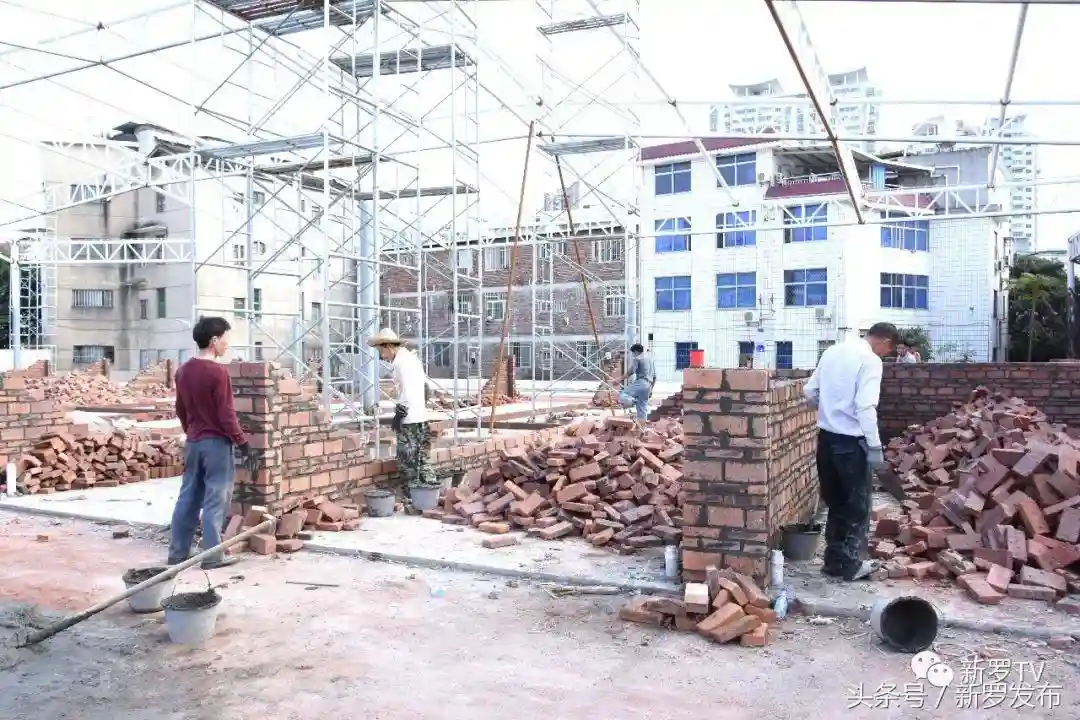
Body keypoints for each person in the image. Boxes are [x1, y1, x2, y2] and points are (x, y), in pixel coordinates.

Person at [804, 322, 900, 581]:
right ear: (885, 342)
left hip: (826, 440)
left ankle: (833, 562)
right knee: (857, 507)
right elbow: (865, 406)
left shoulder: (832, 351)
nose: (885, 355)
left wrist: (829, 411)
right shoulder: (870, 361)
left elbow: (809, 392)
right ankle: (851, 565)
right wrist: (875, 445)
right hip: (851, 444)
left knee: (835, 503)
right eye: (888, 351)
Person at [168, 316, 253, 569]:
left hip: (194, 443)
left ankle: (177, 553)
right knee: (216, 500)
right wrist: (242, 442)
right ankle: (213, 556)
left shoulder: (183, 371)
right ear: (214, 340)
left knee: (188, 497)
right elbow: (226, 414)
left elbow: (180, 409)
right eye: (226, 338)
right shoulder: (218, 372)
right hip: (216, 445)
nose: (227, 343)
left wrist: (192, 432)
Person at [367, 328, 438, 499]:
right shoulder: (411, 359)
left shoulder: (401, 363)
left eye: (381, 351)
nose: (382, 356)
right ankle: (432, 496)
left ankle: (412, 499)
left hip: (410, 419)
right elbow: (425, 389)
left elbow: (407, 392)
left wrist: (400, 414)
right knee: (421, 459)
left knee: (407, 462)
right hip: (420, 417)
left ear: (388, 346)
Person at [616, 343, 655, 426]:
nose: (633, 355)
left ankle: (634, 401)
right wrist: (651, 389)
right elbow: (655, 376)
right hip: (648, 385)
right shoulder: (650, 360)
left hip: (641, 382)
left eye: (633, 353)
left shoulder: (637, 359)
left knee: (622, 395)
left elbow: (631, 371)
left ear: (636, 351)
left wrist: (619, 379)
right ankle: (642, 427)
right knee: (642, 407)